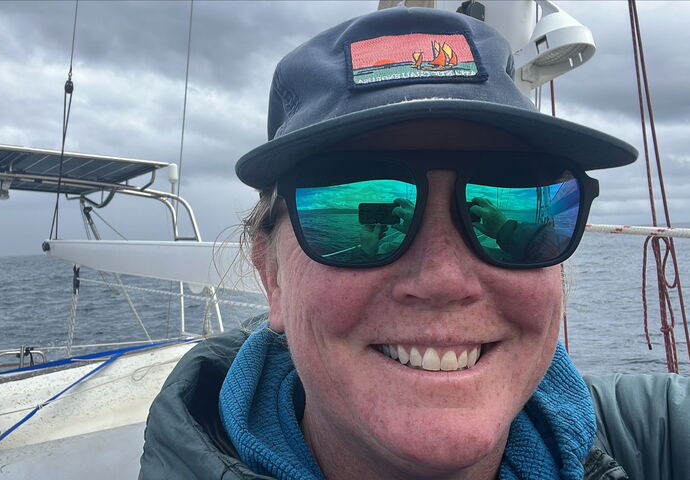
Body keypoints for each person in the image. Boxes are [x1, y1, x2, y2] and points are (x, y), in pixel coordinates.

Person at [139, 7, 690, 480]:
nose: (444, 280)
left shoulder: (647, 435)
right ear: (272, 278)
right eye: (356, 215)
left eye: (509, 198)